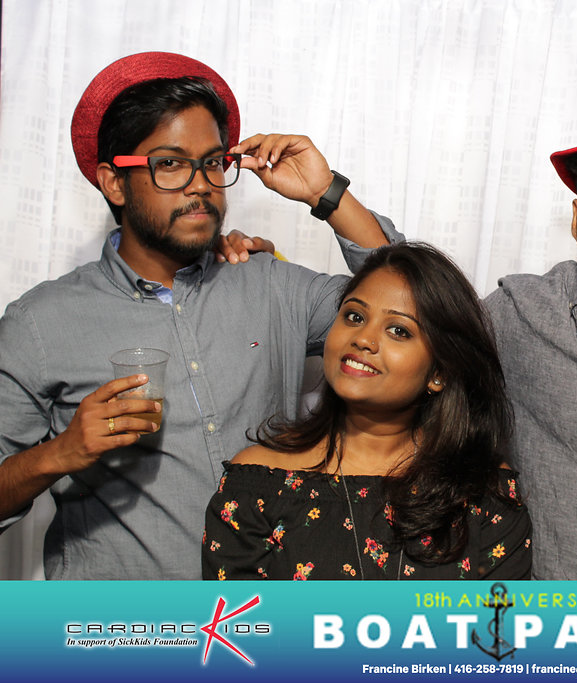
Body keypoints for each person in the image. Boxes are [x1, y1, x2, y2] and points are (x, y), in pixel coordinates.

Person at [224, 86, 577, 579]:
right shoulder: (520, 314)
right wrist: (328, 196)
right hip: (539, 637)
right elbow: (417, 306)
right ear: (576, 214)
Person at [0, 52, 381, 579]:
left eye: (213, 162)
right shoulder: (39, 323)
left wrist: (326, 193)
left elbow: (417, 309)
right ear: (114, 183)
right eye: (170, 164)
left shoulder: (271, 285)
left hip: (266, 620)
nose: (201, 183)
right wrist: (59, 454)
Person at [202, 243, 531, 580]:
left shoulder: (484, 494)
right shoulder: (255, 485)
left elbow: (501, 615)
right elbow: (238, 614)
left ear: (439, 373)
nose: (363, 339)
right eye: (354, 316)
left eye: (398, 330)